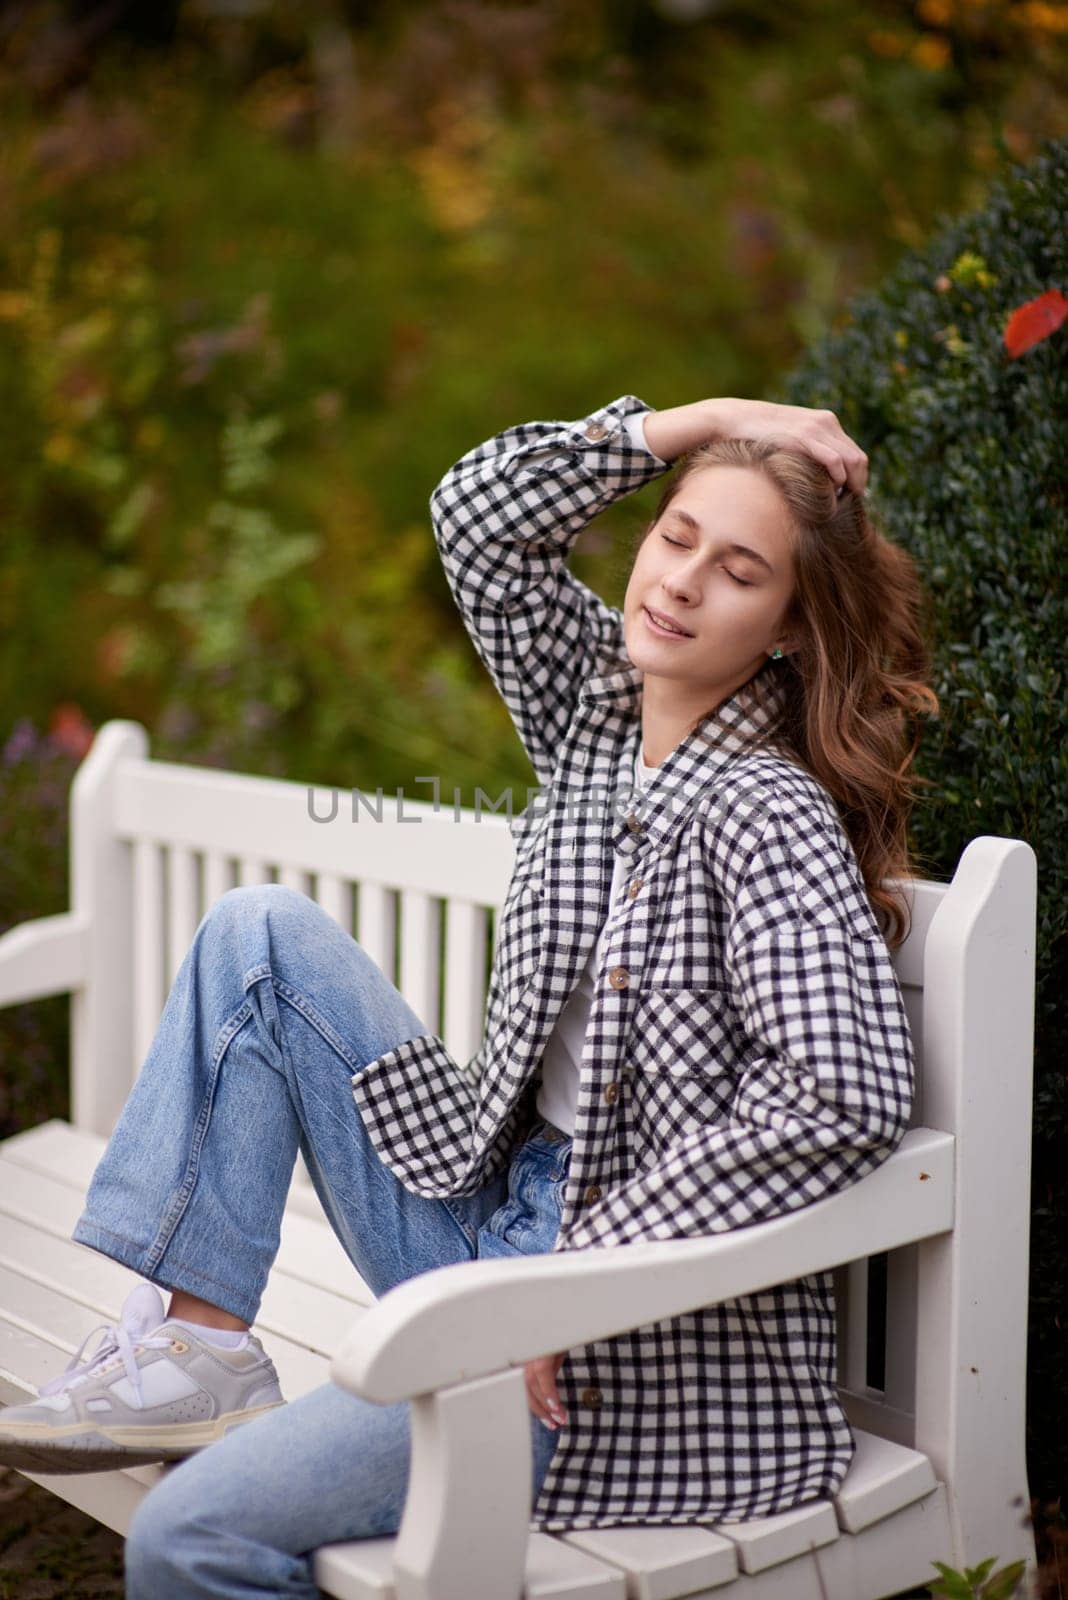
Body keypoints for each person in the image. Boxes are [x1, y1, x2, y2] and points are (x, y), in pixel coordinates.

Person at [0, 392, 934, 1597]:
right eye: (677, 535)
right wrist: (711, 416)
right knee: (261, 937)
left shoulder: (764, 809)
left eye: (740, 569)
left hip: (616, 1327)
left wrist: (581, 1271)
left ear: (793, 630)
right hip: (488, 1217)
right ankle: (203, 1347)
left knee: (191, 1541)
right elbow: (478, 518)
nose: (684, 580)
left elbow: (842, 1092)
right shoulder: (601, 723)